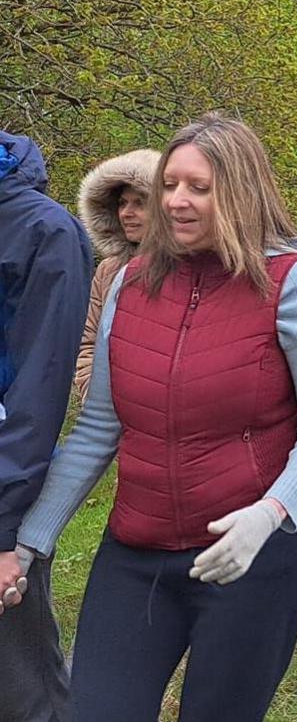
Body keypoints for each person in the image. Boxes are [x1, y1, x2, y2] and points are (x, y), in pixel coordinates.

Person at [14, 113, 297, 722]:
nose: (176, 201)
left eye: (199, 187)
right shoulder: (130, 282)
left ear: (241, 192)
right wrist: (26, 546)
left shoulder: (291, 283)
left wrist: (269, 516)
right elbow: (97, 429)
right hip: (138, 550)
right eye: (170, 184)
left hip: (254, 557)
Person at [0, 130, 93, 722]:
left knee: (21, 685)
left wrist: (5, 529)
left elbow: (39, 388)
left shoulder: (44, 232)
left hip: (1, 489)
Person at [73, 149, 159, 400]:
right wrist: (97, 400)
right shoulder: (109, 270)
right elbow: (89, 345)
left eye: (139, 203)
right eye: (122, 203)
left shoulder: (191, 268)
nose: (126, 213)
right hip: (114, 422)